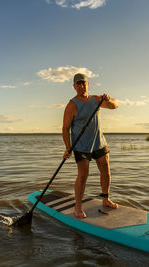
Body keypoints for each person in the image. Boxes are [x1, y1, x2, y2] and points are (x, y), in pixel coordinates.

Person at [62, 73, 119, 218]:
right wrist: (68, 147)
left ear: (88, 84)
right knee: (83, 175)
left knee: (105, 169)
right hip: (81, 145)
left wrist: (109, 99)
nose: (81, 86)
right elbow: (65, 128)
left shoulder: (96, 99)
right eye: (78, 84)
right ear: (74, 86)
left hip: (99, 142)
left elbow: (114, 106)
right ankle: (78, 207)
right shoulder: (72, 105)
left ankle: (105, 199)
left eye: (83, 83)